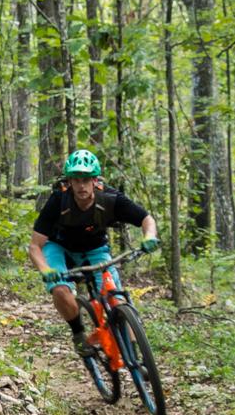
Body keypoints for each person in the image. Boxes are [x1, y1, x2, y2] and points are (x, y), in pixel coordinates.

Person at [29, 148, 161, 355]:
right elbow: (35, 246)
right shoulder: (58, 201)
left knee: (115, 299)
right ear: (69, 182)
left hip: (95, 248)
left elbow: (146, 219)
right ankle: (79, 334)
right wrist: (45, 269)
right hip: (58, 247)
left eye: (86, 179)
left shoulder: (110, 198)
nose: (81, 185)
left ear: (95, 180)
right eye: (76, 180)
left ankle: (137, 358)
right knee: (60, 289)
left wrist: (150, 236)